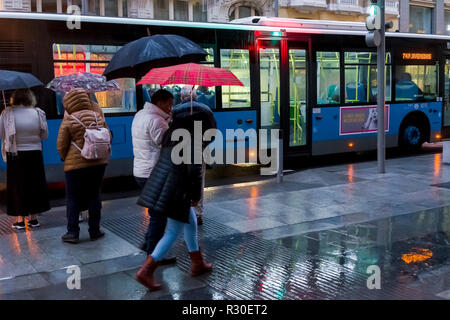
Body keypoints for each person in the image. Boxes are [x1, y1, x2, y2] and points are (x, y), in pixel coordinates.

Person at [135, 102, 216, 291]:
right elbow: (195, 171)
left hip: (165, 187)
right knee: (172, 232)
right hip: (176, 191)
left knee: (191, 223)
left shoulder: (172, 135)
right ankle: (146, 271)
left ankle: (197, 262)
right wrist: (195, 196)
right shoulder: (193, 140)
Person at [57, 88, 110, 243]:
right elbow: (106, 134)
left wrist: (63, 157)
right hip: (98, 162)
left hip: (76, 165)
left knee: (73, 197)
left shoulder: (69, 119)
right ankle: (95, 230)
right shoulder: (97, 115)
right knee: (95, 195)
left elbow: (61, 144)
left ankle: (72, 232)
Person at [132, 89, 177, 264]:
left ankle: (148, 241)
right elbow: (167, 144)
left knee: (156, 212)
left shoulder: (141, 115)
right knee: (159, 215)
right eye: (169, 104)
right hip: (155, 172)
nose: (170, 108)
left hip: (142, 171)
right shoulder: (157, 120)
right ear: (160, 102)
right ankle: (154, 254)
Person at [0, 89, 50, 229]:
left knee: (18, 186)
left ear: (13, 99)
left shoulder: (7, 113)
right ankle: (34, 219)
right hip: (35, 153)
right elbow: (44, 135)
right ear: (30, 98)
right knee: (34, 185)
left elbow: (1, 134)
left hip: (15, 155)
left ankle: (20, 220)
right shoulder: (38, 113)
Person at [174, 86, 208, 226]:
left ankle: (184, 212)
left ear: (182, 97)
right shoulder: (206, 110)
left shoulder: (175, 111)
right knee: (198, 183)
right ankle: (198, 214)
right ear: (196, 96)